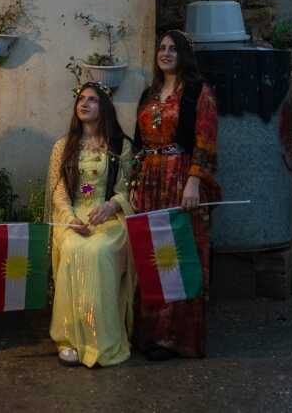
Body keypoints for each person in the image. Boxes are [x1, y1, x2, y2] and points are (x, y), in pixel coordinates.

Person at [131, 29, 221, 361]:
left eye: (173, 48)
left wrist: (195, 182)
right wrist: (135, 181)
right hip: (151, 179)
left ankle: (175, 336)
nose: (165, 53)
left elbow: (206, 140)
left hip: (181, 178)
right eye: (162, 48)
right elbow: (138, 144)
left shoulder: (199, 92)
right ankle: (151, 333)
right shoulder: (148, 94)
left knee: (180, 253)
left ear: (184, 55)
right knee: (154, 253)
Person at [45, 82, 136, 368]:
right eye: (81, 99)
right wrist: (70, 218)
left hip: (109, 219)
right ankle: (70, 339)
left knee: (100, 251)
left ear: (104, 107)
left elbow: (128, 188)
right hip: (73, 217)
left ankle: (102, 340)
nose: (84, 104)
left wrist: (111, 205)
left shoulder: (121, 146)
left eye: (92, 100)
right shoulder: (64, 146)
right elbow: (59, 189)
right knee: (73, 248)